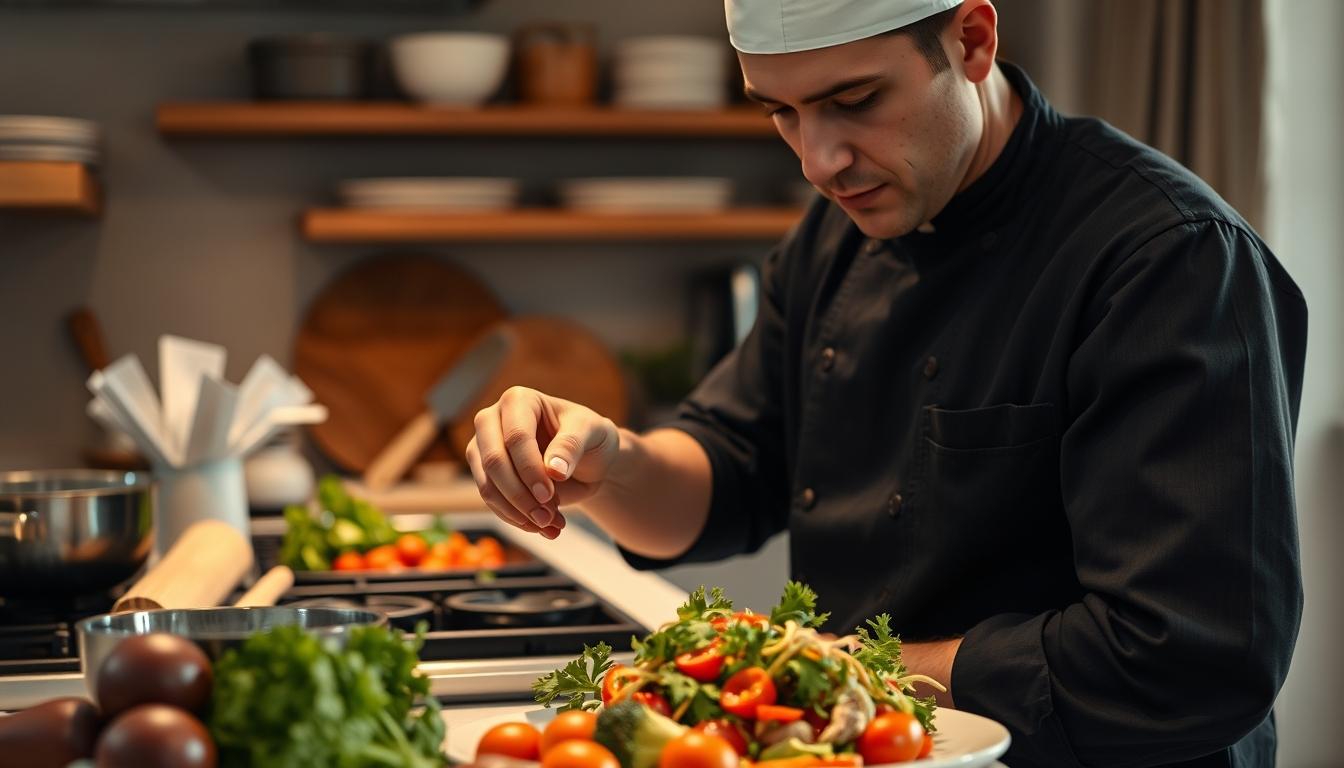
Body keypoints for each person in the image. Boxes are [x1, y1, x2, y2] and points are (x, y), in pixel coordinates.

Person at [465, 1, 1306, 765]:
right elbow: (730, 470)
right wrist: (611, 462)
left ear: (972, 41)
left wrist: (843, 673)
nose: (818, 161)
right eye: (781, 113)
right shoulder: (836, 235)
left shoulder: (1171, 260)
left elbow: (1191, 658)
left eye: (856, 100)